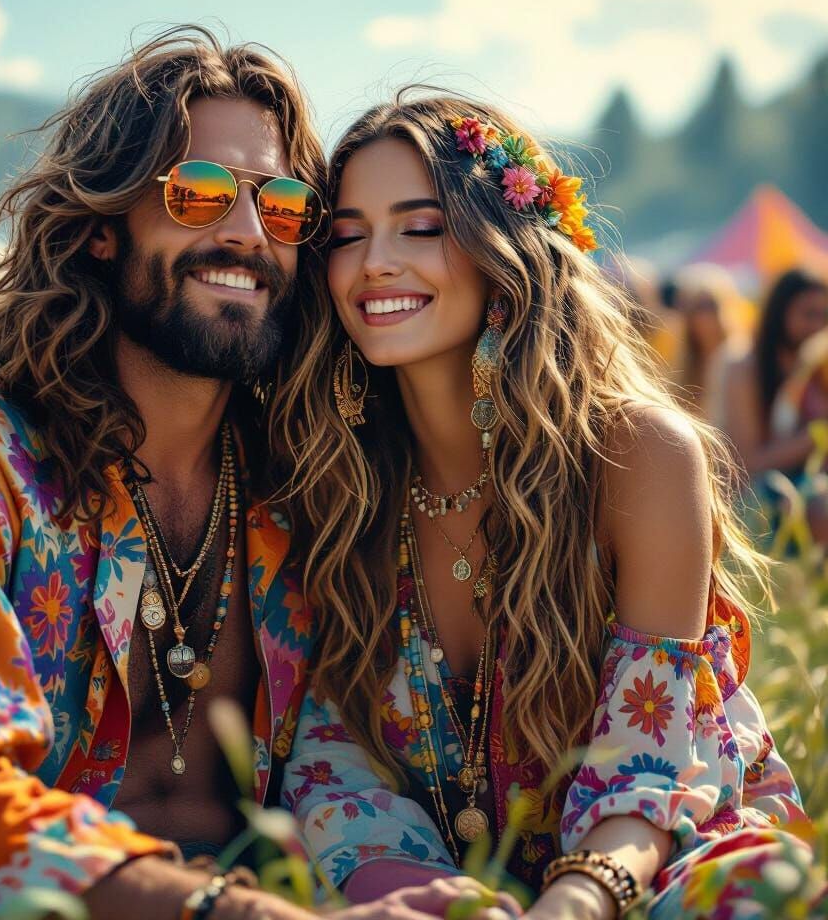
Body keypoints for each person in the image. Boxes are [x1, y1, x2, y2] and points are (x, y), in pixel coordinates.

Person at [0, 29, 477, 920]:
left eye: (280, 208)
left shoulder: (305, 484)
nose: (246, 234)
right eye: (198, 195)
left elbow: (345, 766)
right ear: (98, 231)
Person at [276, 94, 820, 918]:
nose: (374, 262)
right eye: (347, 235)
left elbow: (650, 763)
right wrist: (428, 899)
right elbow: (328, 758)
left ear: (506, 247)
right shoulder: (332, 478)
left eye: (420, 227)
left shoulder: (638, 455)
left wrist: (576, 900)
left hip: (666, 853)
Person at [717, 267, 828, 478]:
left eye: (824, 316)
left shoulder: (818, 366)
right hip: (759, 498)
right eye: (809, 314)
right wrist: (818, 434)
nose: (818, 325)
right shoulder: (743, 367)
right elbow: (748, 463)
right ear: (779, 312)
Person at [671, 262, 748, 420]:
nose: (708, 315)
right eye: (698, 307)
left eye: (711, 305)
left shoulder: (740, 359)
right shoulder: (682, 367)